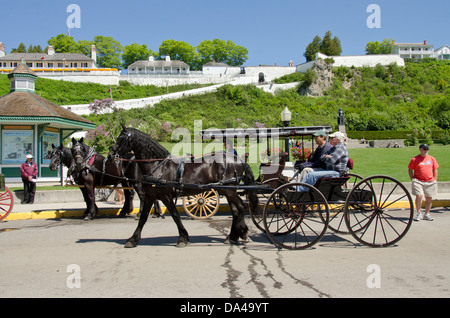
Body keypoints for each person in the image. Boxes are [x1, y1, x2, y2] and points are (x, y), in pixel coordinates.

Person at [408, 144, 439, 221]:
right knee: (419, 196)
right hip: (418, 181)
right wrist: (412, 179)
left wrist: (435, 179)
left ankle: (427, 213)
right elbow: (410, 170)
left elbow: (435, 169)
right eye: (424, 149)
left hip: (430, 181)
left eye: (427, 149)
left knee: (429, 198)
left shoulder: (431, 159)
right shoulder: (414, 159)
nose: (426, 150)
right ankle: (418, 213)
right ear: (420, 149)